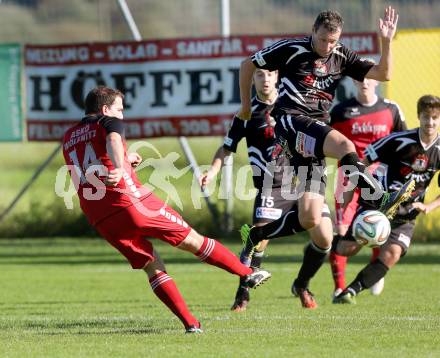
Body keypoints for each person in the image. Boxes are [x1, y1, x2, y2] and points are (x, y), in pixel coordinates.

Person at [236, 7, 414, 306]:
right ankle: (376, 197)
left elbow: (384, 74)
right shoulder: (292, 48)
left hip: (315, 133)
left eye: (332, 42)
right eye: (322, 40)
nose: (327, 47)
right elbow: (247, 64)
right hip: (292, 121)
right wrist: (244, 107)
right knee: (346, 147)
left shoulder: (341, 55)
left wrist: (386, 41)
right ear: (313, 31)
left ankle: (256, 236)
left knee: (309, 217)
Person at [61, 86, 271, 334]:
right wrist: (120, 166)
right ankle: (246, 273)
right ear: (105, 109)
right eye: (119, 109)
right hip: (131, 203)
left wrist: (126, 161)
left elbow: (93, 162)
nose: (122, 115)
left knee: (152, 265)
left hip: (99, 216)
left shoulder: (69, 136)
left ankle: (191, 324)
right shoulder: (108, 123)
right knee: (193, 241)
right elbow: (113, 140)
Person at [200, 69, 332, 310]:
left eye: (270, 74)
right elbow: (227, 147)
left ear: (278, 77)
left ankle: (301, 284)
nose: (266, 79)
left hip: (304, 180)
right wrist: (213, 171)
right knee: (258, 241)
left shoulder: (294, 105)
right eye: (260, 75)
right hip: (272, 187)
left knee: (324, 239)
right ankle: (242, 294)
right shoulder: (247, 113)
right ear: (254, 80)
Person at [332, 95, 440, 304]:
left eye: (435, 118)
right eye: (426, 117)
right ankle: (322, 242)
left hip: (407, 214)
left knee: (392, 253)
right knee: (348, 249)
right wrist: (348, 195)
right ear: (419, 116)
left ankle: (349, 292)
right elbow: (360, 163)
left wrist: (429, 206)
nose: (430, 123)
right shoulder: (399, 140)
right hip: (378, 202)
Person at [329, 75, 407, 297]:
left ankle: (376, 274)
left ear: (377, 81)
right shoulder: (340, 111)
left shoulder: (390, 109)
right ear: (353, 82)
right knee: (341, 230)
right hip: (348, 178)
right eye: (359, 78)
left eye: (369, 78)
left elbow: (403, 141)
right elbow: (323, 138)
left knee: (377, 226)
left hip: (379, 179)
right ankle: (338, 287)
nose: (364, 82)